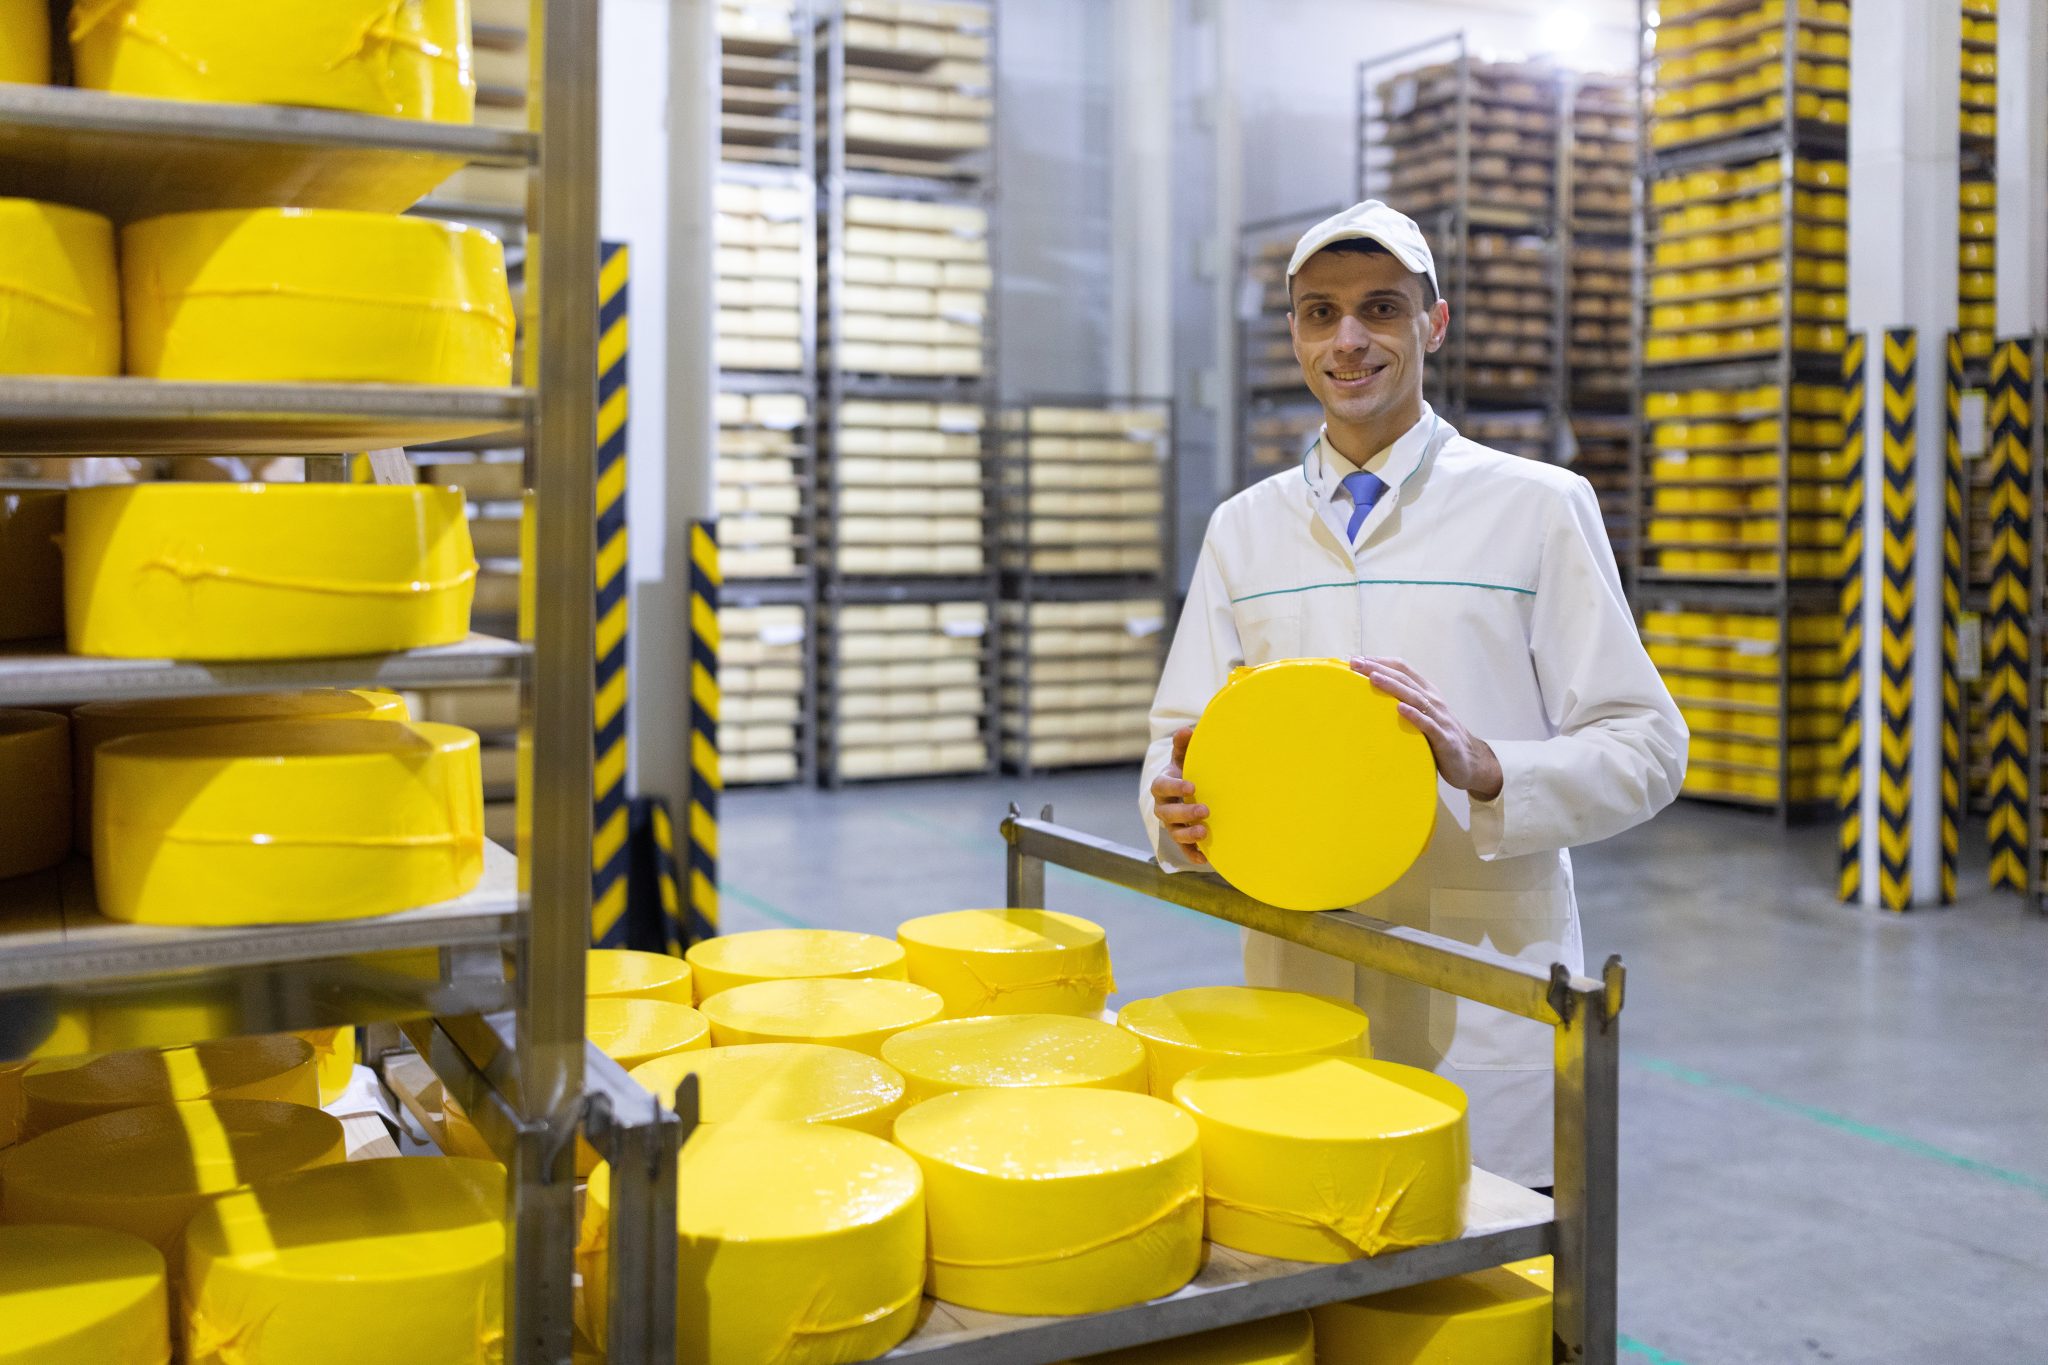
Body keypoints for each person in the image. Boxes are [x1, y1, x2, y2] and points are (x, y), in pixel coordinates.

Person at [1141, 200, 1686, 1189]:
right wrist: (1169, 811)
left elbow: (1645, 745)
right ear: (1295, 334)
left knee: (1492, 1293)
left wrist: (1492, 770)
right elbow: (1179, 740)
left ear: (1432, 325)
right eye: (1318, 313)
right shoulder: (1242, 530)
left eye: (1378, 309)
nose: (1346, 340)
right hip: (1299, 974)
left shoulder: (1535, 508)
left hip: (1483, 973)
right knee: (1315, 1264)